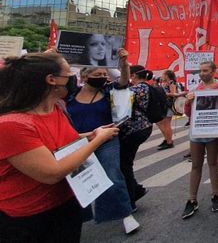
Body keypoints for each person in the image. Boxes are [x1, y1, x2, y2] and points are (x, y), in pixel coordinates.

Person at [0, 52, 120, 242]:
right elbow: (52, 173)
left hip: (66, 203)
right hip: (29, 218)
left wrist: (90, 135)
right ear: (51, 80)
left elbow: (56, 142)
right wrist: (98, 140)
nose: (73, 77)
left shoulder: (55, 108)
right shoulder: (12, 125)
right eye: (68, 72)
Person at [64, 52, 141, 234]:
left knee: (113, 175)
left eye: (104, 75)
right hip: (78, 141)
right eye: (97, 75)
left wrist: (123, 63)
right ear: (84, 76)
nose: (101, 78)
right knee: (78, 180)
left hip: (107, 139)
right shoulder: (70, 95)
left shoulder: (108, 92)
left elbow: (123, 80)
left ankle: (126, 215)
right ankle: (79, 216)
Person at [182, 61, 218, 219]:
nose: (202, 73)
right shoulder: (195, 90)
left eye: (205, 70)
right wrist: (187, 102)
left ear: (213, 71)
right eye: (200, 71)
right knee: (196, 165)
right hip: (197, 131)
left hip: (212, 131)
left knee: (213, 163)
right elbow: (188, 113)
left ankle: (216, 195)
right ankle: (192, 199)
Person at [121, 66, 155, 210]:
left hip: (134, 128)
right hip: (142, 127)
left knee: (124, 164)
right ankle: (134, 189)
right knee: (125, 163)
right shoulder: (146, 87)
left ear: (133, 75)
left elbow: (120, 99)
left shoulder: (137, 89)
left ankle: (132, 194)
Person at [155, 70, 184, 151]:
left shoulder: (172, 82)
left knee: (166, 124)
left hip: (169, 105)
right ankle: (167, 138)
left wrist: (162, 93)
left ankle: (169, 141)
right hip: (165, 105)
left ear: (167, 75)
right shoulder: (167, 82)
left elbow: (173, 93)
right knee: (160, 122)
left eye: (163, 74)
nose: (162, 76)